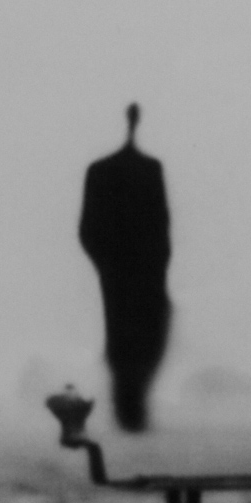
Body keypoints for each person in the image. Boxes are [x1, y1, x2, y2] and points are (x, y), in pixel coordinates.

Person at [79, 104, 171, 431]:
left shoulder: (103, 170)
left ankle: (128, 409)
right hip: (137, 271)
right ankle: (131, 410)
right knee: (139, 337)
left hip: (124, 271)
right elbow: (161, 227)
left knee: (125, 337)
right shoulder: (146, 169)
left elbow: (88, 229)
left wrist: (107, 264)